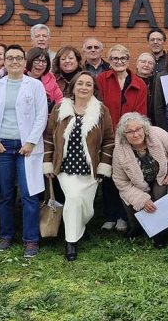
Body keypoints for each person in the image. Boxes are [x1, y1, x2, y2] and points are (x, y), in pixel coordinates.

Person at [0, 44, 49, 258]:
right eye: (10, 58)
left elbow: (41, 115)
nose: (15, 61)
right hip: (1, 147)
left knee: (29, 194)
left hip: (27, 148)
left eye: (19, 58)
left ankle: (31, 239)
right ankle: (6, 235)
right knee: (5, 195)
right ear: (5, 62)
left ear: (25, 61)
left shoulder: (35, 85)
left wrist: (31, 142)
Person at [43, 71, 115, 260]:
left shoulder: (101, 111)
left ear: (93, 88)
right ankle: (71, 242)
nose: (84, 87)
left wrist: (104, 166)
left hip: (90, 169)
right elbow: (49, 137)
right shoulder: (60, 109)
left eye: (88, 84)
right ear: (73, 87)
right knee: (74, 199)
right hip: (66, 167)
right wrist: (48, 162)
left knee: (87, 208)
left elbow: (109, 140)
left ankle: (79, 227)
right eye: (80, 83)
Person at [111, 112, 168, 249]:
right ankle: (136, 226)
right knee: (128, 199)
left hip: (160, 178)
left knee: (159, 196)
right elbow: (121, 182)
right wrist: (142, 200)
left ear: (144, 128)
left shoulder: (157, 134)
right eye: (130, 132)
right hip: (137, 184)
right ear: (124, 134)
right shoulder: (119, 151)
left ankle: (161, 232)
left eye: (138, 129)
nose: (135, 134)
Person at [97, 44, 149, 232]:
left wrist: (130, 134)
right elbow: (98, 108)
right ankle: (109, 216)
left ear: (128, 60)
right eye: (114, 58)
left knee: (127, 176)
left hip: (129, 136)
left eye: (122, 58)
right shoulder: (101, 79)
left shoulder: (139, 84)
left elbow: (140, 113)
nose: (119, 61)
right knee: (108, 175)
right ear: (109, 61)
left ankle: (123, 216)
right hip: (107, 135)